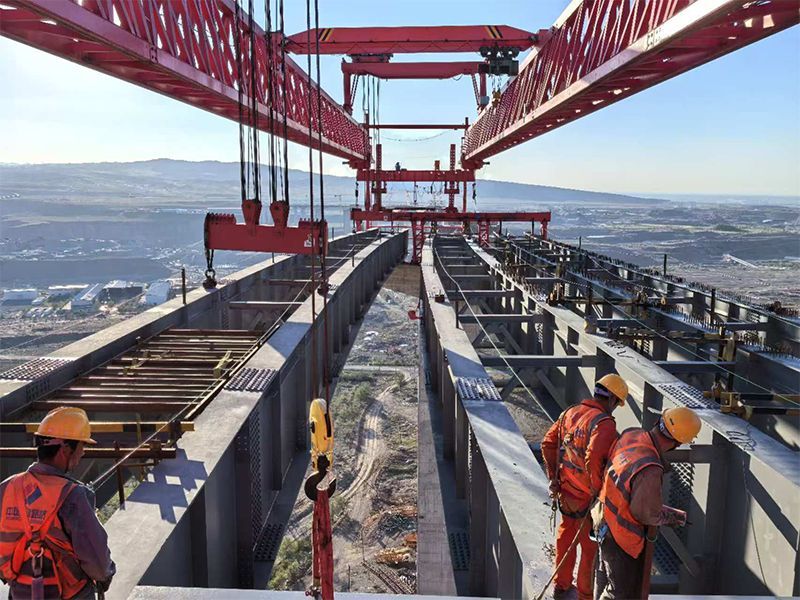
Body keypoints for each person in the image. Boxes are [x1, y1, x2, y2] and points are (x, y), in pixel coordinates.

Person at [0, 407, 116, 599]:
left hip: (20, 592)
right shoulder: (73, 495)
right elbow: (97, 560)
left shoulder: (7, 488)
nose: (83, 453)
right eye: (81, 446)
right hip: (68, 594)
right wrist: (106, 575)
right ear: (65, 449)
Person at [594, 406, 702, 600]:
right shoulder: (650, 468)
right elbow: (644, 513)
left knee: (605, 577)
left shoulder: (632, 435)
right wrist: (667, 517)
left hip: (603, 518)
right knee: (620, 593)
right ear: (678, 442)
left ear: (658, 422)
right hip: (620, 536)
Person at [541, 374, 628, 600]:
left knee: (565, 539)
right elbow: (594, 458)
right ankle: (585, 596)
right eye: (617, 404)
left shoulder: (570, 413)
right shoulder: (604, 424)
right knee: (589, 549)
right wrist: (598, 493)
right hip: (587, 499)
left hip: (567, 492)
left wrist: (554, 478)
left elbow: (548, 443)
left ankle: (561, 586)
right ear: (612, 400)